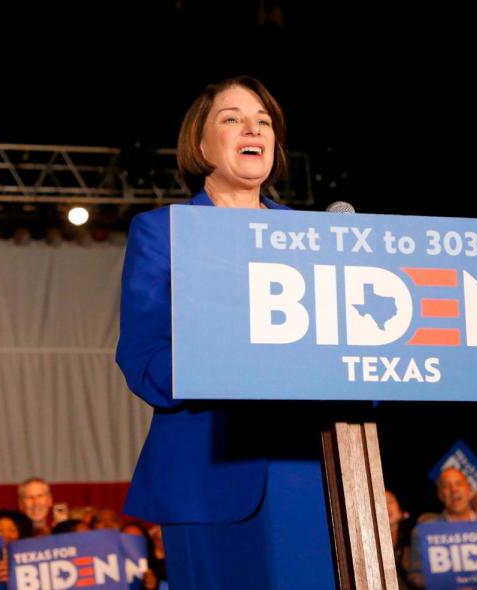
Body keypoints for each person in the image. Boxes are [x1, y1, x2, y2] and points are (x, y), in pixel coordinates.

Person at [116, 75, 337, 589]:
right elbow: (143, 358)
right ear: (200, 142)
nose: (252, 128)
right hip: (207, 473)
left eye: (263, 121)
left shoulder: (314, 239)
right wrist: (228, 356)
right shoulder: (162, 231)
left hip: (306, 475)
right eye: (232, 118)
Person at [406, 468, 477, 588]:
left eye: (458, 484)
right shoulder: (423, 531)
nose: (454, 490)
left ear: (469, 489)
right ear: (440, 495)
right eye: (446, 486)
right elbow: (415, 576)